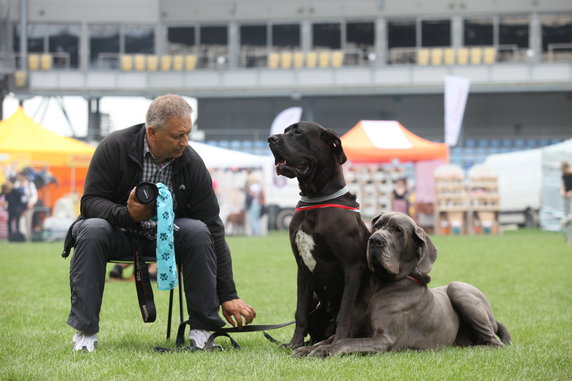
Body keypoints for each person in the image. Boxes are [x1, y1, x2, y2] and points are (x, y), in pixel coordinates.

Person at [65, 94, 256, 352]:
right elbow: (90, 202)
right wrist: (128, 215)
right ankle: (86, 334)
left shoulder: (191, 161)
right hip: (119, 234)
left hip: (168, 238)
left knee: (199, 231)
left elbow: (213, 227)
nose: (185, 143)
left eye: (188, 134)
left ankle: (202, 331)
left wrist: (229, 295)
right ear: (152, 132)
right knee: (91, 228)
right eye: (178, 136)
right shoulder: (114, 146)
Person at [13, 171, 38, 240]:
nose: (18, 177)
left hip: (28, 206)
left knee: (28, 223)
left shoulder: (30, 184)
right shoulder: (16, 184)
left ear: (24, 176)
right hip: (19, 207)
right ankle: (20, 238)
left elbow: (34, 195)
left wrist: (31, 204)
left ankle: (28, 238)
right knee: (19, 222)